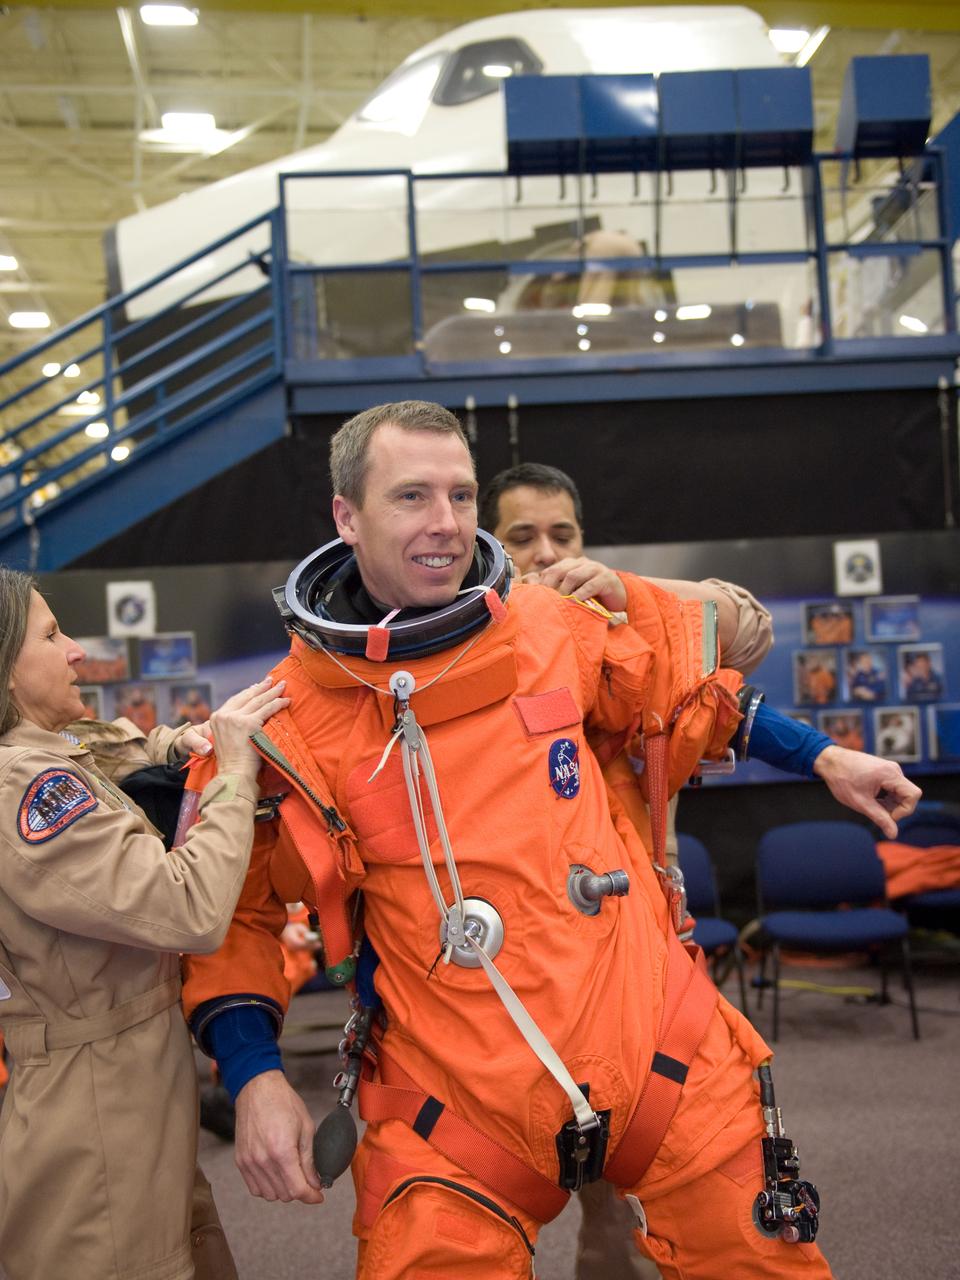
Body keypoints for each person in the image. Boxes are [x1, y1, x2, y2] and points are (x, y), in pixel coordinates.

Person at [182, 401, 920, 1280]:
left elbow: (685, 699)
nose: (446, 524)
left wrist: (826, 755)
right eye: (412, 496)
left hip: (654, 1053)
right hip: (453, 1101)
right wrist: (256, 1074)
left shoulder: (552, 630)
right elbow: (232, 914)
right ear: (347, 516)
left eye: (459, 494)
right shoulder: (283, 721)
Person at [480, 461, 773, 1280]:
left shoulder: (620, 624)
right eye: (522, 537)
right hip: (514, 967)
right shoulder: (463, 653)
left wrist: (627, 589)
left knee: (630, 1191)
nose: (545, 553)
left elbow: (744, 643)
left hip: (630, 948)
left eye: (562, 535)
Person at [0, 567, 289, 1280]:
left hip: (131, 1094)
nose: (75, 650)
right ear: (6, 672)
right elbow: (186, 908)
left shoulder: (51, 756)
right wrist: (231, 771)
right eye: (50, 634)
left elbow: (114, 749)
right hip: (96, 1111)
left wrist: (183, 747)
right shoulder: (25, 788)